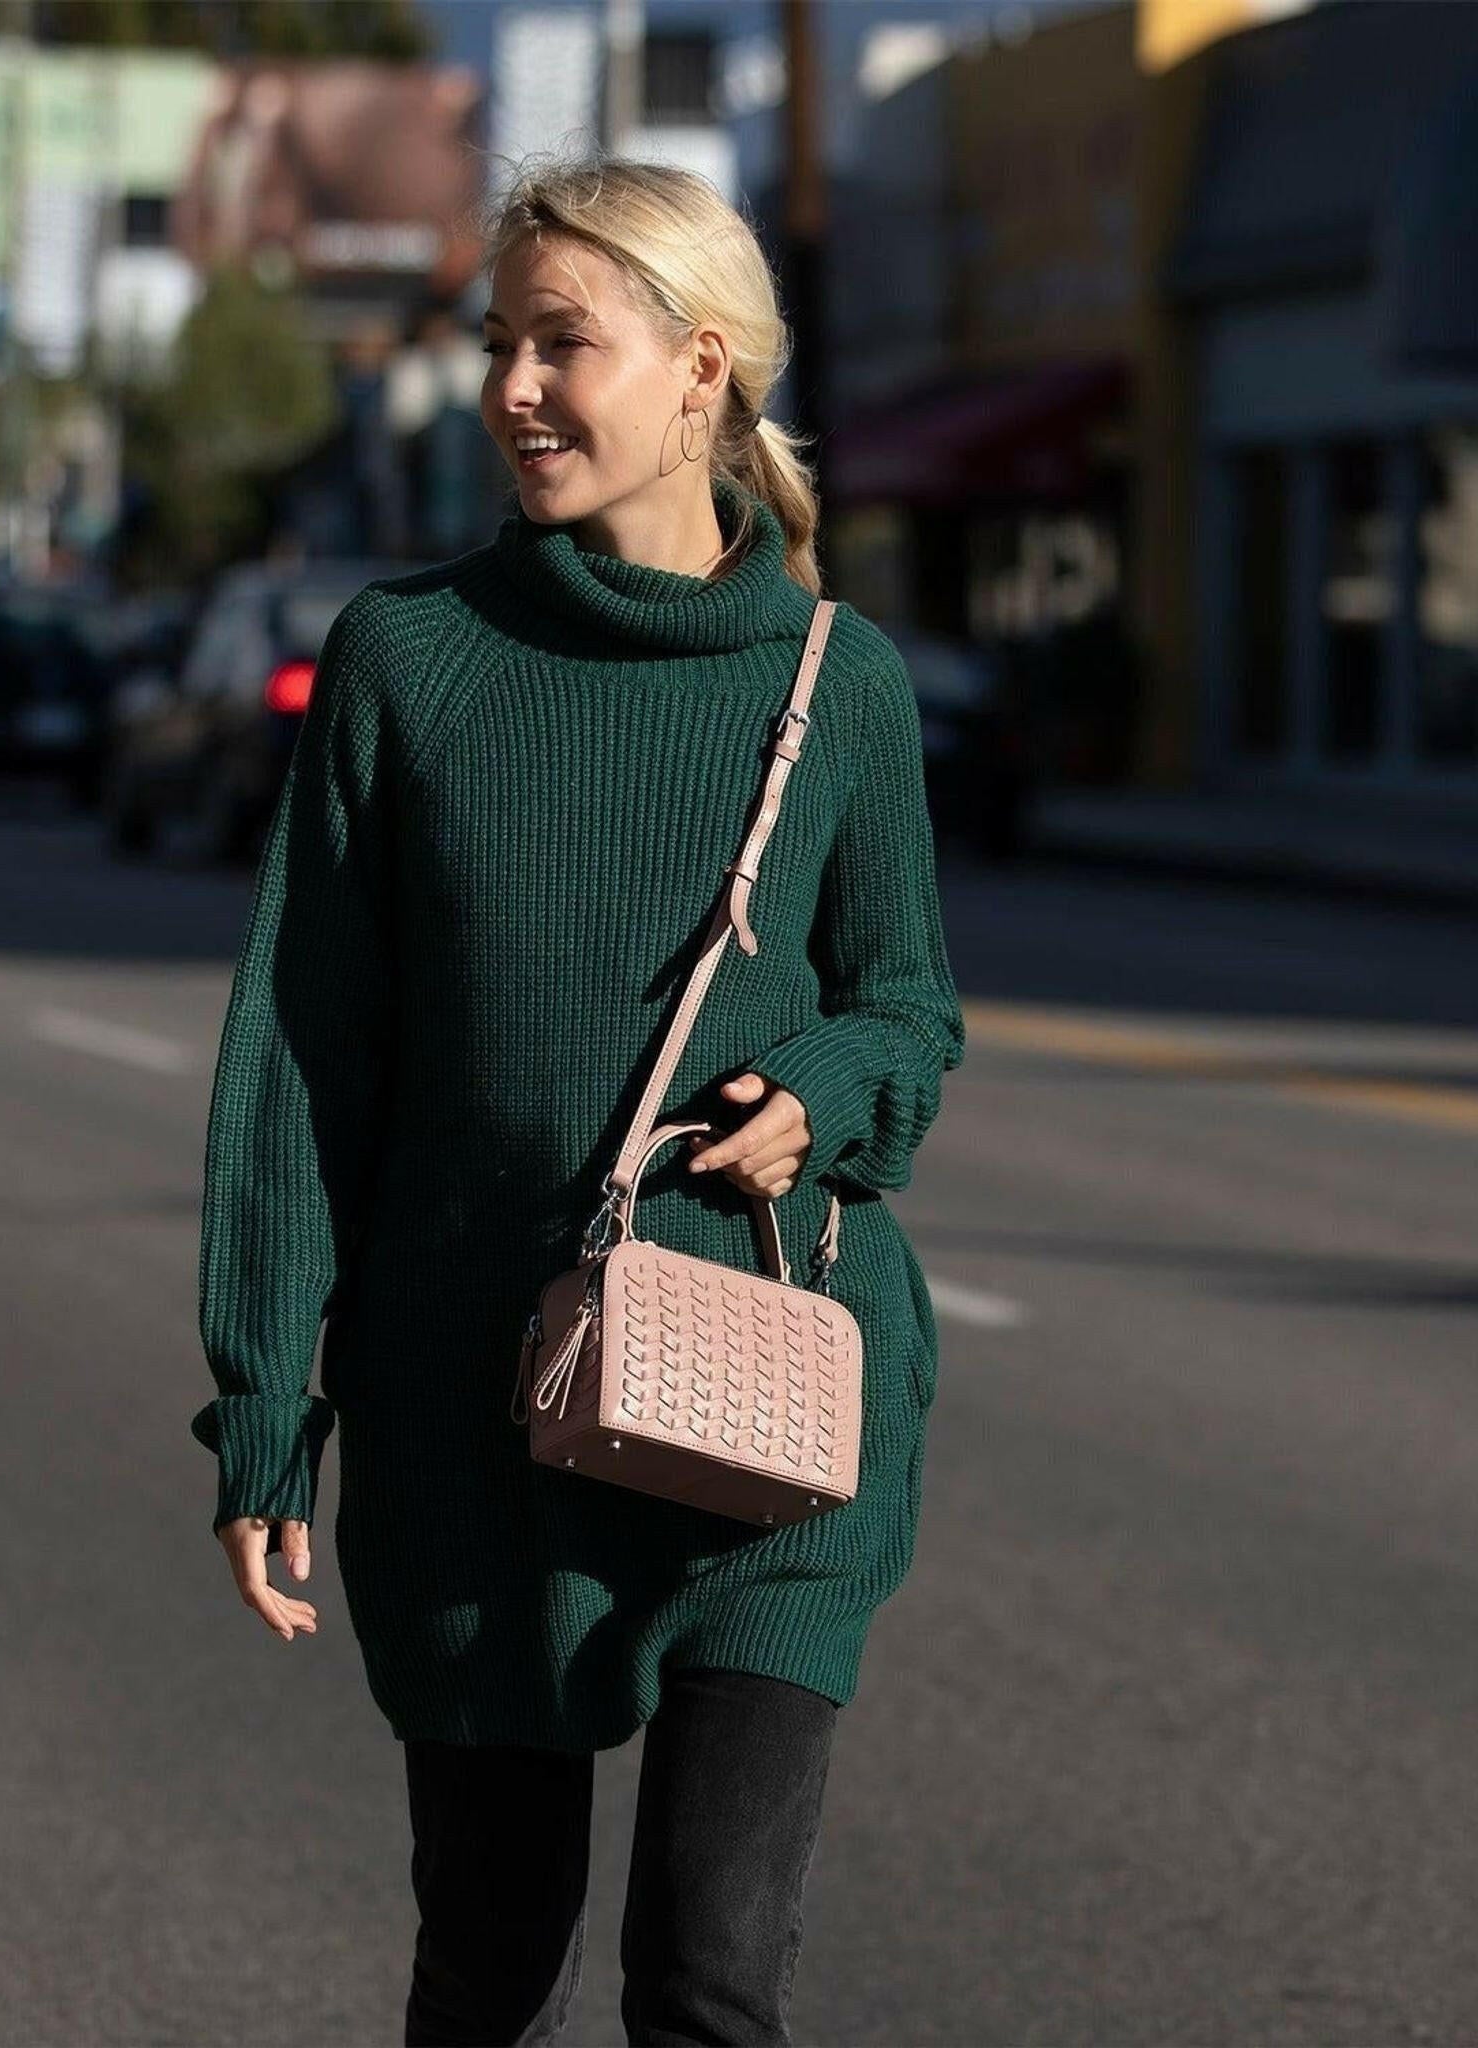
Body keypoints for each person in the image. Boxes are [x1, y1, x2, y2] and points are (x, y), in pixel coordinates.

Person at [193, 155, 967, 2046]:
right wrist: (264, 1408)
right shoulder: (408, 664)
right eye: (498, 345)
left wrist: (831, 1088)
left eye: (566, 342)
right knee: (487, 1982)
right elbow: (301, 1063)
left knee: (705, 1987)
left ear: (702, 372)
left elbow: (911, 1013)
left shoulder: (833, 681)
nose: (515, 388)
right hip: (471, 1412)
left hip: (765, 1397)